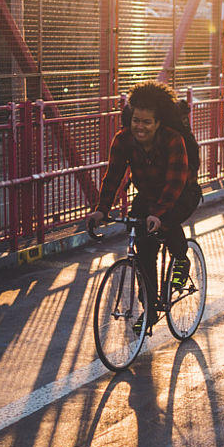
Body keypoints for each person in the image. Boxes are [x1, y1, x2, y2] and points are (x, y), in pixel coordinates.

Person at [91, 81, 201, 328]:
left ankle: (182, 259)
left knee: (166, 222)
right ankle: (149, 309)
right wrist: (101, 209)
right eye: (135, 121)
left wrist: (159, 214)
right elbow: (114, 176)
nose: (139, 127)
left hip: (183, 191)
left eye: (146, 122)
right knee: (144, 252)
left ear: (158, 122)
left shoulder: (173, 140)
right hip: (149, 194)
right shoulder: (123, 140)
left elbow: (175, 183)